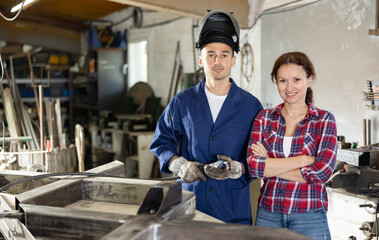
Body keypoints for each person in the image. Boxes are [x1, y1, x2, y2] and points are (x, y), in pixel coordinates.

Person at [150, 9, 263, 224]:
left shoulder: (251, 106)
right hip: (191, 206)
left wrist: (239, 169)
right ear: (201, 59)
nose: (217, 61)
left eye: (224, 55)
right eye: (211, 54)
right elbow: (161, 143)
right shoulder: (182, 102)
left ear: (233, 60)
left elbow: (260, 156)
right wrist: (179, 164)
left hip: (232, 210)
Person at [246, 51, 337, 239]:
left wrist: (269, 164)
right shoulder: (264, 118)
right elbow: (253, 167)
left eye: (296, 79)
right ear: (276, 82)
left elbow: (322, 172)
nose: (289, 87)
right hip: (268, 213)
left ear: (309, 80)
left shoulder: (323, 120)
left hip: (309, 215)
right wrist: (303, 160)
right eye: (282, 80)